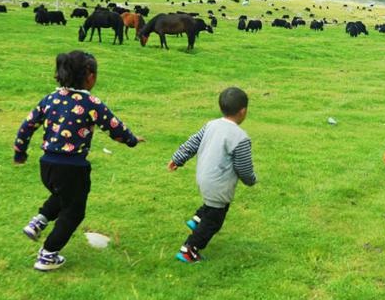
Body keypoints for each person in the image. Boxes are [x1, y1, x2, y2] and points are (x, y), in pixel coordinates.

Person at [14, 50, 144, 271]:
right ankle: (48, 255)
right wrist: (132, 140)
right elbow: (114, 127)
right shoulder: (91, 102)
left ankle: (39, 221)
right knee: (74, 211)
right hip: (73, 167)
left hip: (47, 165)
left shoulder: (50, 98)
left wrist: (20, 152)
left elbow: (27, 125)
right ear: (90, 76)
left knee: (62, 195)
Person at [167, 87, 257, 263]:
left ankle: (198, 218)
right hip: (219, 183)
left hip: (203, 177)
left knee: (216, 205)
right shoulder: (240, 137)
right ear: (243, 111)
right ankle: (189, 249)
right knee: (214, 221)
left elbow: (192, 143)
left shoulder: (211, 125)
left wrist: (178, 158)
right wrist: (251, 180)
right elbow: (243, 167)